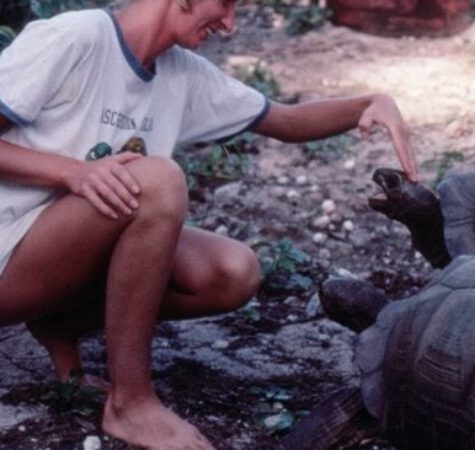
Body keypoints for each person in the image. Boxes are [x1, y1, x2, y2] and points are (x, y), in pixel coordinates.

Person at [0, 0, 419, 448]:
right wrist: (73, 172)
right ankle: (131, 404)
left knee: (231, 271)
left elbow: (286, 119)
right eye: (225, 3)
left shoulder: (182, 73)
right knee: (156, 181)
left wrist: (370, 103)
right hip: (7, 261)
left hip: (52, 254)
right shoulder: (78, 37)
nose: (231, 23)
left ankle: (62, 325)